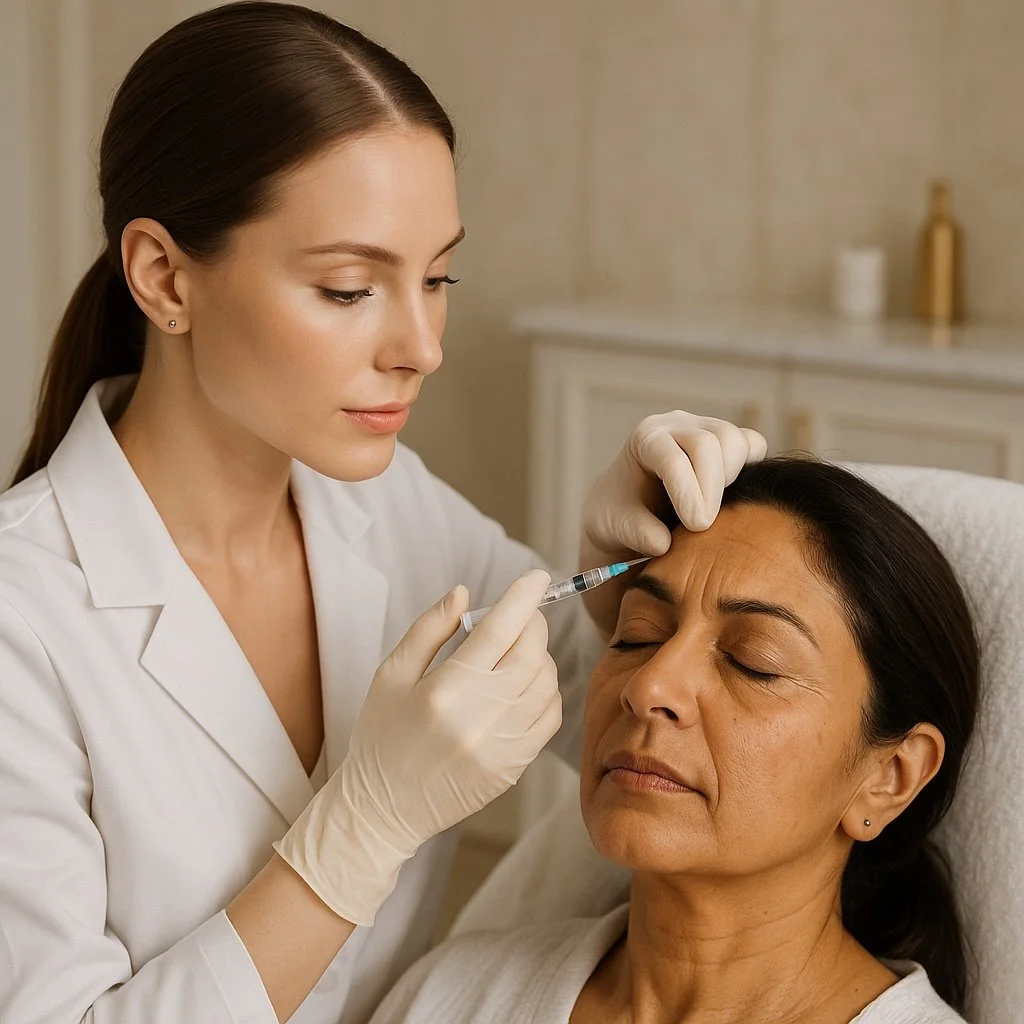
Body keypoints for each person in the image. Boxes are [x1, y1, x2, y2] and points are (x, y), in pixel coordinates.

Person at [0, 4, 765, 1023]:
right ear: (164, 274)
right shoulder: (24, 616)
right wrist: (353, 836)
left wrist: (618, 579)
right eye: (350, 287)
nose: (421, 346)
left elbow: (616, 725)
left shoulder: (384, 502)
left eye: (437, 277)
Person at [371, 457, 979, 1024]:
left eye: (753, 661)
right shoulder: (454, 996)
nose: (649, 683)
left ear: (890, 776)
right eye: (637, 634)